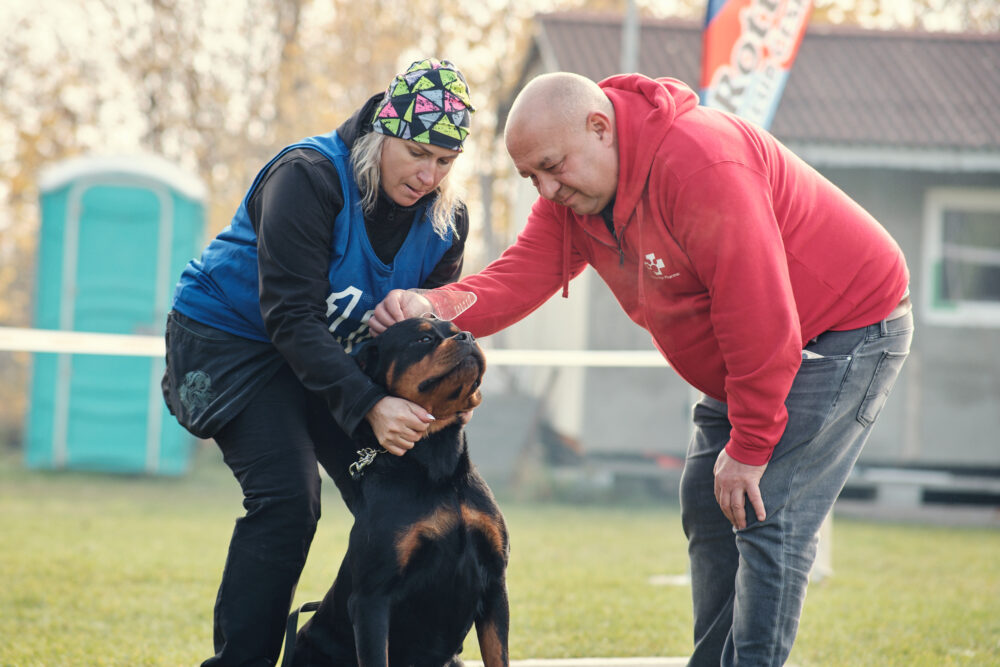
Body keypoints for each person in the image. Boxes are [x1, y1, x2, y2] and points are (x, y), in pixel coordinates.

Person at [371, 71, 913, 666]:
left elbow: (761, 315)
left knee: (766, 512)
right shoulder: (574, 195)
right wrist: (432, 305)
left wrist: (752, 445)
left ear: (600, 128)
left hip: (840, 330)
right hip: (752, 349)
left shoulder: (701, 166)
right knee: (708, 502)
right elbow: (520, 275)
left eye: (552, 167)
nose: (547, 190)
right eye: (531, 178)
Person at [160, 58, 476, 666]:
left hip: (328, 353)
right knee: (288, 499)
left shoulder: (447, 219)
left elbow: (422, 335)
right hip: (231, 343)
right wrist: (370, 404)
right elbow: (289, 317)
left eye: (445, 161)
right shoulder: (307, 177)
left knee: (411, 500)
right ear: (381, 134)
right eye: (416, 152)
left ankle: (415, 656)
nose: (429, 175)